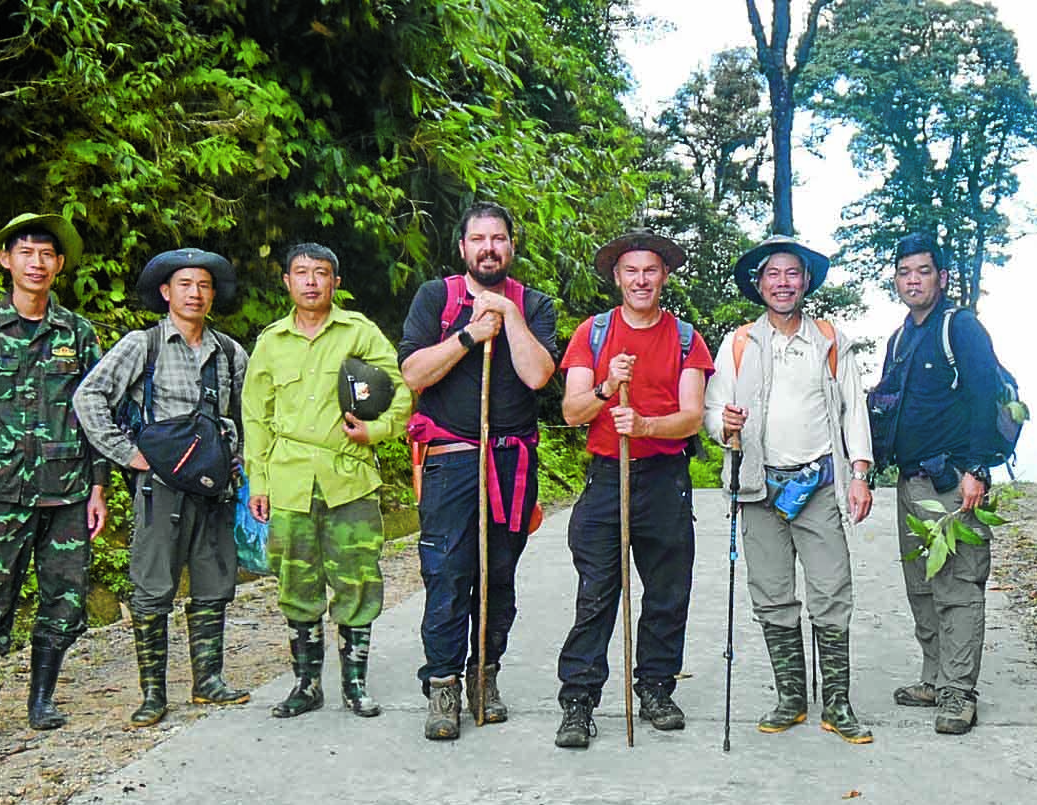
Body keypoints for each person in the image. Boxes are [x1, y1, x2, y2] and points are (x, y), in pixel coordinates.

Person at [0, 213, 108, 747]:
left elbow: (96, 413)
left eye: (46, 254)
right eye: (25, 252)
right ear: (5, 260)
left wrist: (99, 485)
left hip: (66, 492)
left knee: (65, 599)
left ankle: (41, 699)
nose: (36, 263)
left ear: (59, 265)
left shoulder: (78, 335)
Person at [703, 235, 876, 744]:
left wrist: (860, 474)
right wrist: (724, 425)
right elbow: (715, 411)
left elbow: (853, 408)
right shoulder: (738, 344)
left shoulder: (828, 340)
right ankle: (792, 697)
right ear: (759, 284)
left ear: (805, 282)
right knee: (772, 594)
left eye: (792, 274)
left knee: (831, 591)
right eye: (772, 275)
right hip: (757, 485)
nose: (782, 283)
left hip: (817, 482)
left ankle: (838, 702)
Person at [399, 201, 559, 741]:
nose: (489, 247)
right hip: (451, 463)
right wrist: (469, 334)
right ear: (463, 247)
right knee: (446, 575)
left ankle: (483, 677)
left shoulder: (534, 305)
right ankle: (442, 684)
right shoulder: (435, 298)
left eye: (498, 238)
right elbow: (413, 373)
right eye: (478, 239)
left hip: (511, 462)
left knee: (499, 577)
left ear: (511, 246)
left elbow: (538, 376)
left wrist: (507, 317)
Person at [73, 248, 251, 727]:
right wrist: (128, 454)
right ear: (166, 293)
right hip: (159, 487)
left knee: (214, 583)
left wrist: (241, 462)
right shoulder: (142, 345)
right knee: (152, 588)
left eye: (204, 286)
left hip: (214, 486)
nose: (195, 294)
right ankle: (153, 693)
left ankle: (208, 680)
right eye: (185, 285)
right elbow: (89, 396)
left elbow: (248, 417)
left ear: (214, 295)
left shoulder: (231, 353)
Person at [552, 231, 713, 749]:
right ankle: (578, 700)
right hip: (606, 478)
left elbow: (691, 419)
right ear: (617, 278)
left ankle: (656, 689)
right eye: (631, 272)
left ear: (663, 276)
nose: (641, 280)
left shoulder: (687, 339)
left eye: (650, 271)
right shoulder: (592, 334)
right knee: (597, 593)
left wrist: (643, 426)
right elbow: (572, 413)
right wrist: (605, 385)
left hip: (665, 480)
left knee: (667, 592)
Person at [242, 243, 411, 720]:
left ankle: (355, 685)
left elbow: (400, 387)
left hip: (349, 476)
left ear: (336, 282)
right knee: (296, 582)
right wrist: (258, 480)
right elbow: (255, 415)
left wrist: (376, 430)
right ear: (287, 282)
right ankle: (306, 684)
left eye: (321, 273)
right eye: (301, 273)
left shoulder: (359, 332)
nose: (312, 282)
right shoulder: (271, 342)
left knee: (358, 580)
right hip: (288, 478)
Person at [870, 233, 1002, 736]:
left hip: (953, 480)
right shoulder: (900, 339)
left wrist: (978, 470)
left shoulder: (961, 329)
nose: (913, 280)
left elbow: (985, 398)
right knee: (922, 586)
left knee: (958, 585)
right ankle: (935, 675)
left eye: (923, 271)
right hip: (911, 481)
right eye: (904, 272)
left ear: (942, 278)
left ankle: (958, 692)